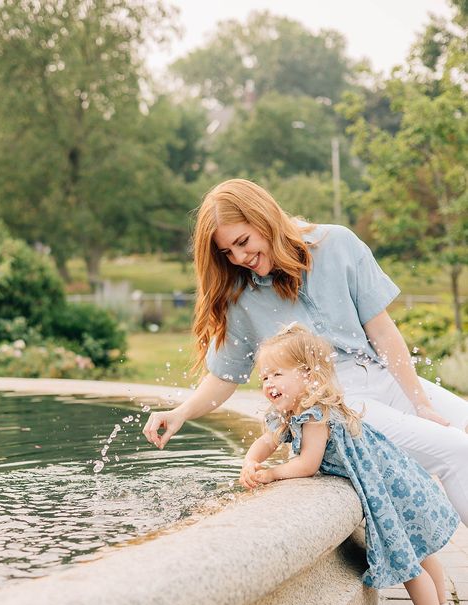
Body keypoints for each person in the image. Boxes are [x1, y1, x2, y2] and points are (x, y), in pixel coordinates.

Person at [143, 179, 468, 522]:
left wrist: (420, 404)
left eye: (243, 242)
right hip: (335, 407)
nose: (239, 257)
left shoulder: (339, 243)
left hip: (380, 376)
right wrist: (180, 412)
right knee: (457, 451)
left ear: (265, 219)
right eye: (227, 252)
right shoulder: (240, 296)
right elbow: (225, 375)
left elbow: (384, 333)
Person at [240, 323, 459, 605]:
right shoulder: (291, 412)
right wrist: (250, 461)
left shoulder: (316, 414)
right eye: (265, 377)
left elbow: (307, 464)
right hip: (393, 479)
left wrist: (272, 475)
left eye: (277, 374)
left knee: (404, 556)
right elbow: (266, 441)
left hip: (384, 488)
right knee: (419, 547)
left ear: (308, 375)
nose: (269, 383)